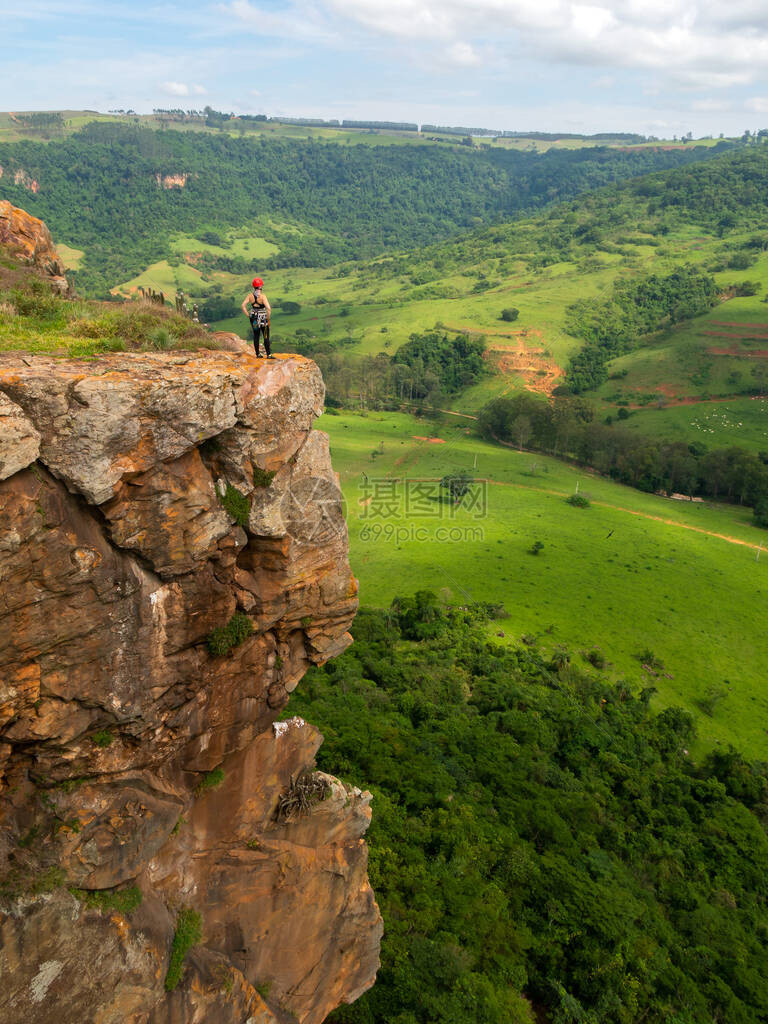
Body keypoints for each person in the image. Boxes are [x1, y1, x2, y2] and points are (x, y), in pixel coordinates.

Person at [241, 277, 272, 358]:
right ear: (261, 286)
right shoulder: (263, 296)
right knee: (265, 335)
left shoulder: (250, 296)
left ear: (253, 286)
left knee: (256, 335)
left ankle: (258, 354)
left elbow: (243, 305)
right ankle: (268, 354)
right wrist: (268, 318)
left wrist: (248, 315)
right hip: (263, 318)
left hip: (254, 317)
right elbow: (268, 308)